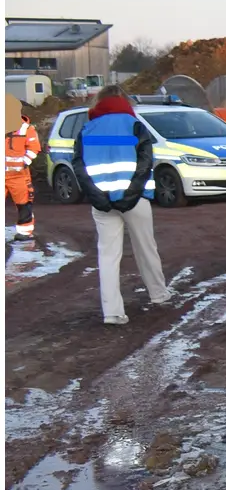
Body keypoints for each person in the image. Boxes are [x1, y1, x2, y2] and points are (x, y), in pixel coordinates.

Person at [72, 86, 173, 324]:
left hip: (102, 203)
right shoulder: (135, 125)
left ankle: (113, 313)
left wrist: (97, 197)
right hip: (135, 201)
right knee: (146, 249)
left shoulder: (86, 129)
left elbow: (79, 166)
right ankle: (159, 295)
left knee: (107, 256)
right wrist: (131, 194)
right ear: (125, 101)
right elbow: (145, 162)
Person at [5, 95, 41, 242]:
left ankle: (25, 232)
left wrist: (24, 162)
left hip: (18, 175)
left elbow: (34, 148)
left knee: (23, 203)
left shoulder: (27, 129)